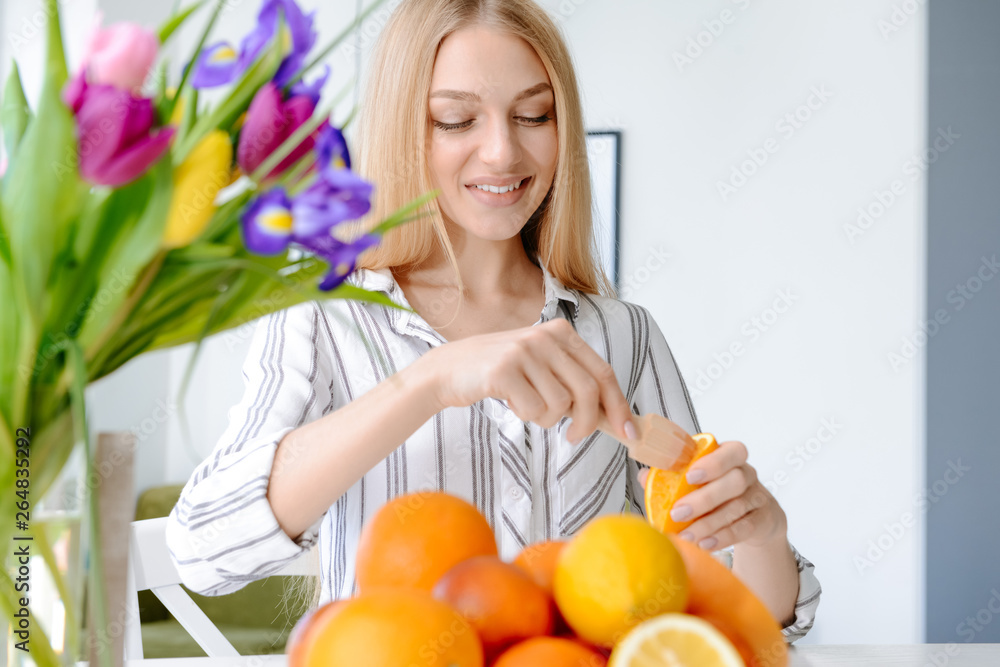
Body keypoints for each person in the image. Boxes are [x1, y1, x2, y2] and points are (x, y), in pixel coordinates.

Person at [166, 0, 821, 644]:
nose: (503, 151)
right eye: (456, 120)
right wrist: (431, 379)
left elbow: (734, 620)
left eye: (534, 114)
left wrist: (763, 535)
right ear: (404, 129)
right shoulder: (326, 319)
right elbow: (203, 549)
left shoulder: (624, 334)